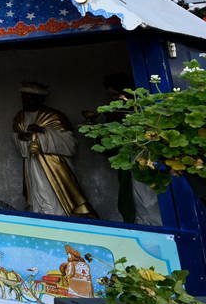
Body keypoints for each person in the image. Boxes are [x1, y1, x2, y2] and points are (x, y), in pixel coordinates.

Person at [83, 74, 162, 225]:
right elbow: (109, 147)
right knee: (135, 202)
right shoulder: (114, 115)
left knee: (150, 202)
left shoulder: (144, 113)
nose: (113, 99)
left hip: (148, 165)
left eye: (114, 95)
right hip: (129, 167)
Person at [13, 82, 95, 217]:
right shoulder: (20, 117)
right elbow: (16, 139)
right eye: (23, 97)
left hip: (53, 165)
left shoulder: (54, 116)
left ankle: (58, 215)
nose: (25, 101)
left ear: (39, 99)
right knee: (37, 191)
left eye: (29, 97)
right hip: (32, 164)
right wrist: (21, 138)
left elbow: (70, 142)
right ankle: (40, 213)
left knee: (51, 192)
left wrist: (43, 133)